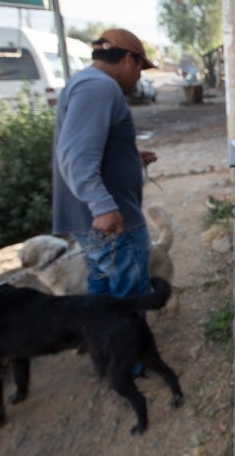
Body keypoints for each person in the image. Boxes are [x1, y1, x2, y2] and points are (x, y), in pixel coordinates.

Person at [53, 28, 157, 301]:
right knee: (129, 303)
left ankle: (101, 343)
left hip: (92, 218)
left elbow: (89, 146)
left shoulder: (87, 82)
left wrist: (130, 159)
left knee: (103, 301)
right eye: (140, 67)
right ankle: (128, 345)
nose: (139, 75)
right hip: (111, 220)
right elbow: (76, 154)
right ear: (127, 59)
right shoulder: (99, 86)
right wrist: (102, 205)